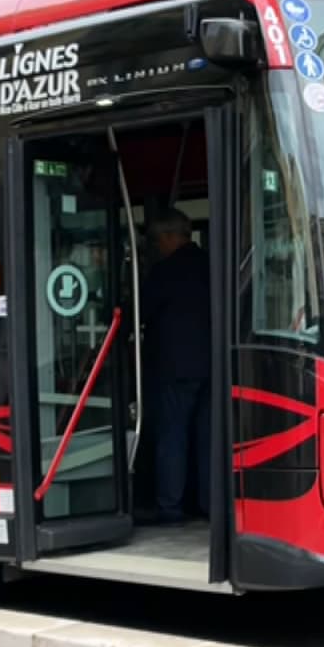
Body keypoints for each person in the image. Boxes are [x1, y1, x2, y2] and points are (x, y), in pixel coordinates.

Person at [139, 209, 211, 524]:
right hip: (212, 366)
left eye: (157, 240)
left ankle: (170, 506)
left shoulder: (165, 271)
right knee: (207, 436)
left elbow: (142, 309)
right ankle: (208, 502)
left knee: (172, 436)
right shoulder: (211, 264)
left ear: (171, 237)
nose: (157, 247)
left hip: (175, 367)